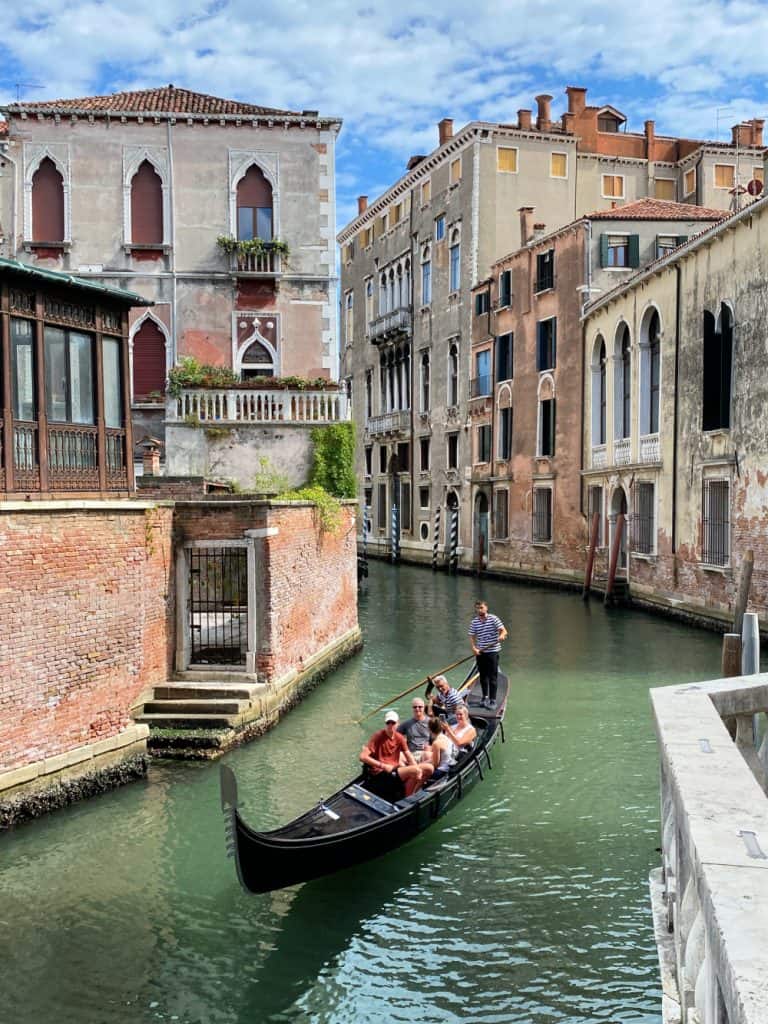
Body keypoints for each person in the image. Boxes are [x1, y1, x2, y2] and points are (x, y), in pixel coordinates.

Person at [360, 710, 431, 800]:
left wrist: (416, 768)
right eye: (388, 723)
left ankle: (409, 794)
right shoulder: (378, 736)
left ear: (398, 723)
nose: (390, 725)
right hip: (381, 773)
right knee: (416, 771)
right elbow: (362, 756)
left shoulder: (400, 738)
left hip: (394, 770)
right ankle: (407, 799)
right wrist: (383, 765)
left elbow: (408, 755)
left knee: (429, 768)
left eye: (393, 723)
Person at [468, 600, 507, 709]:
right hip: (480, 652)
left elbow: (504, 631)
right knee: (483, 676)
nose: (479, 610)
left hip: (493, 651)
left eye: (481, 607)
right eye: (477, 608)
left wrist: (501, 636)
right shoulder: (474, 622)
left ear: (486, 608)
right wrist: (474, 648)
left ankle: (492, 700)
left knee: (492, 676)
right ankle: (484, 697)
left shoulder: (494, 619)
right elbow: (471, 636)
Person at [426, 716, 456, 782]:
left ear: (429, 729)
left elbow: (435, 764)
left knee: (419, 772)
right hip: (449, 767)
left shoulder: (436, 743)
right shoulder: (446, 737)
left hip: (442, 771)